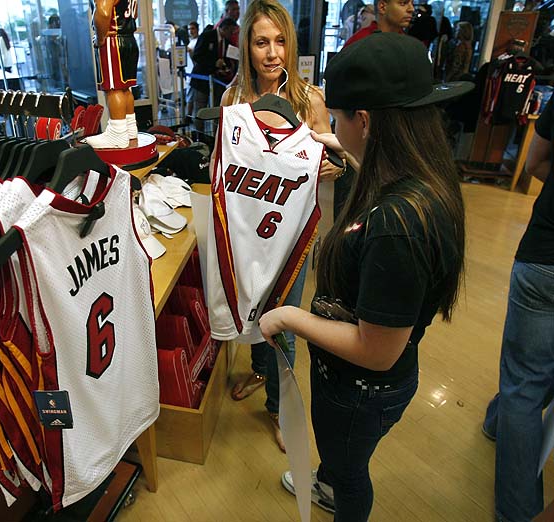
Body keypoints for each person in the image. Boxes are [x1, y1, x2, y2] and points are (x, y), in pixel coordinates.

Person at [259, 32, 470, 518]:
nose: (332, 125)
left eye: (338, 118)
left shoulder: (396, 226)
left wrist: (290, 317)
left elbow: (377, 351)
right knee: (342, 460)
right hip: (369, 387)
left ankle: (337, 490)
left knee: (349, 473)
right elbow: (364, 154)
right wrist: (329, 141)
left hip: (361, 389)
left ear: (367, 121)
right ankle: (330, 478)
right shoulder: (424, 175)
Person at [220, 0, 344, 452]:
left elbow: (337, 155)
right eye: (260, 43)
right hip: (246, 229)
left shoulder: (309, 100)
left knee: (284, 323)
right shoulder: (232, 101)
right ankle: (258, 370)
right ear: (246, 48)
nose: (272, 53)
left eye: (279, 42)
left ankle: (279, 406)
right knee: (251, 304)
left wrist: (333, 168)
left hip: (293, 234)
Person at [482, 95, 554, 522]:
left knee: (524, 383)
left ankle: (516, 513)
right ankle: (498, 420)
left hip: (546, 255)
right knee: (528, 377)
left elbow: (535, 163)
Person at [83, 0, 139, 149]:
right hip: (129, 39)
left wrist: (100, 38)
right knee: (125, 88)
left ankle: (117, 133)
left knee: (114, 88)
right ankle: (129, 128)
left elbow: (103, 11)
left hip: (113, 40)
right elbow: (135, 13)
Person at [190, 18, 238, 114]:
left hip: (218, 81)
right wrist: (213, 63)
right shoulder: (206, 36)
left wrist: (226, 69)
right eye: (231, 31)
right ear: (224, 28)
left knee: (217, 108)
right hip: (202, 80)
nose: (232, 34)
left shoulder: (227, 42)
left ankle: (216, 128)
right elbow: (197, 56)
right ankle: (198, 129)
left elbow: (227, 59)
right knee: (200, 108)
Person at [344, 0, 415, 46]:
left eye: (412, 3)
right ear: (382, 7)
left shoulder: (408, 43)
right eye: (403, 3)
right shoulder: (359, 42)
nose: (411, 9)